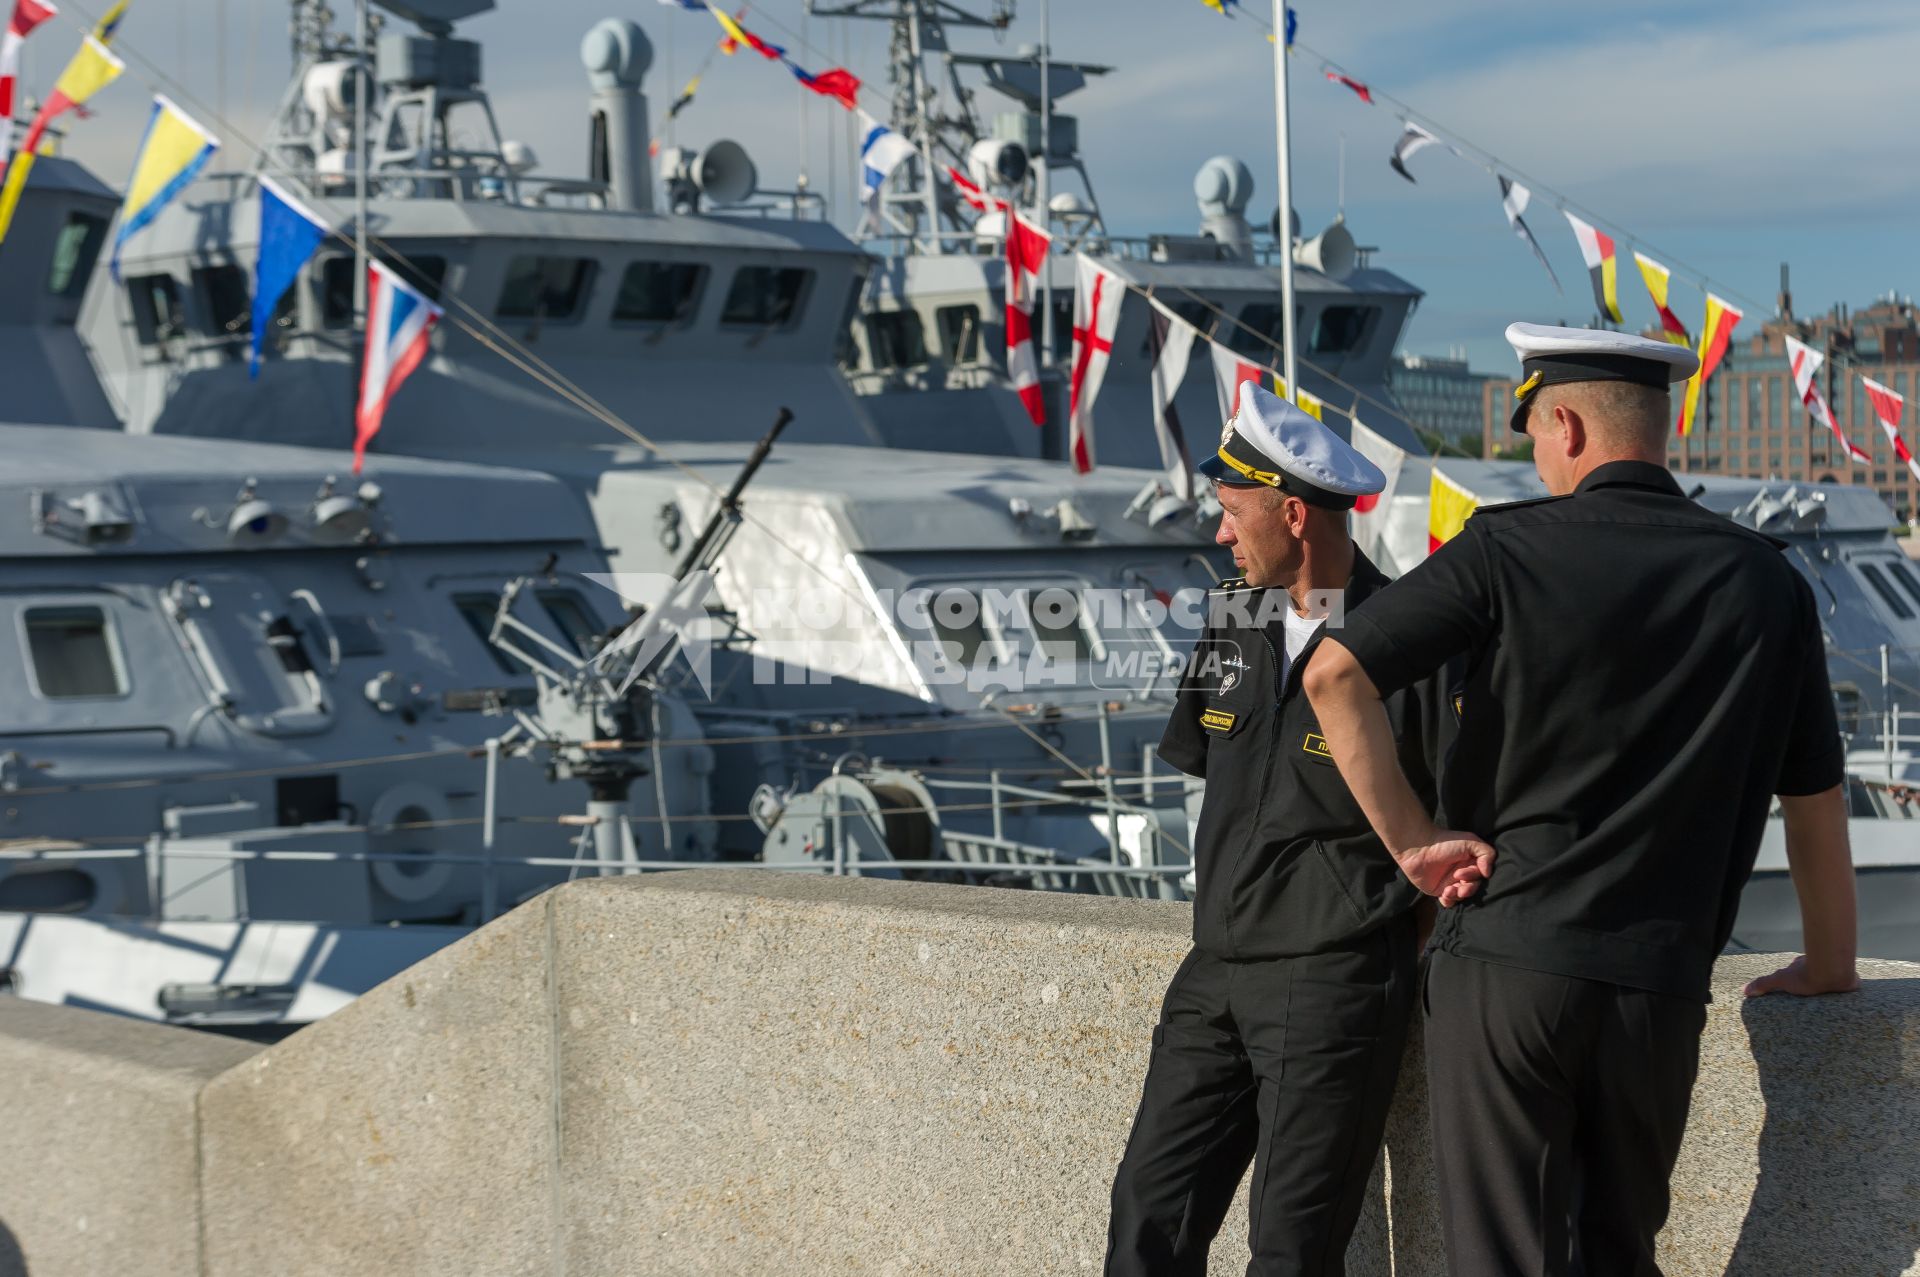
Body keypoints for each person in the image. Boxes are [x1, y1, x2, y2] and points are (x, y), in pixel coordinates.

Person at [1302, 323, 1861, 1277]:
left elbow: (1333, 675)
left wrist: (1416, 844)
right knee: (1619, 1253)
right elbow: (1813, 799)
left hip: (1510, 966)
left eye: (1533, 435)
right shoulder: (1765, 581)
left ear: (1565, 424)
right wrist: (1832, 965)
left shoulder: (1504, 550)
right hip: (1657, 981)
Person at [1106, 382, 1454, 1276]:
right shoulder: (1233, 618)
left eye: (1233, 513)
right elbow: (1214, 772)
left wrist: (1382, 951)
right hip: (1213, 969)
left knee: (1291, 1250)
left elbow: (1449, 832)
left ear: (1294, 513)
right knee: (1146, 1218)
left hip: (1330, 980)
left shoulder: (1407, 642)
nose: (1220, 534)